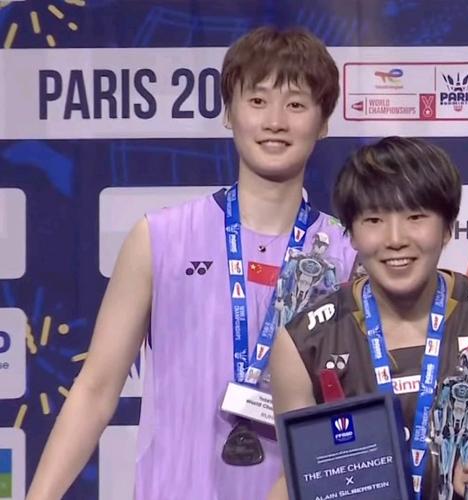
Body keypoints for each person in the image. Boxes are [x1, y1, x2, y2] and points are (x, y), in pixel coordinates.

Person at [27, 27, 356, 500]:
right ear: (229, 113)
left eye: (296, 105)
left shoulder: (347, 255)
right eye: (257, 101)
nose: (275, 121)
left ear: (323, 122)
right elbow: (96, 389)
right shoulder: (160, 238)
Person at [268, 137, 468, 500]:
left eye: (415, 217)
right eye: (374, 219)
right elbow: (299, 477)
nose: (395, 239)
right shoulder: (302, 344)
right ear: (351, 234)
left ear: (448, 227)